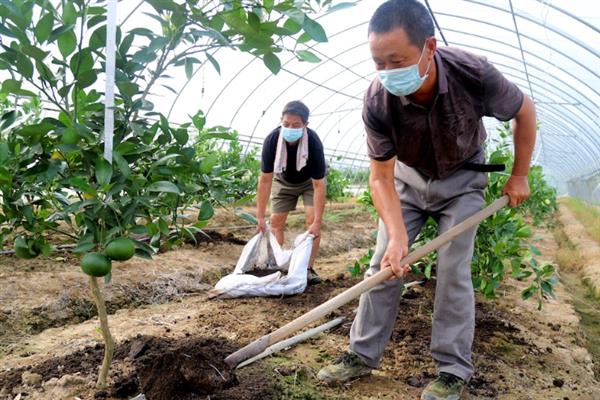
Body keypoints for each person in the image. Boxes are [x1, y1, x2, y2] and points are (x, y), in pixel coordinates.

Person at [317, 1, 536, 399]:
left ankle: (452, 369)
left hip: (464, 180)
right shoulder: (376, 100)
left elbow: (525, 110)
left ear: (429, 47)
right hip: (407, 180)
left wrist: (519, 175)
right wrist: (398, 237)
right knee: (384, 263)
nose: (386, 72)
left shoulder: (474, 73)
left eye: (395, 60)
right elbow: (380, 177)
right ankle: (360, 355)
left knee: (453, 270)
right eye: (377, 62)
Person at [256, 100, 327, 284]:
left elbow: (319, 185)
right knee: (275, 222)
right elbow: (265, 180)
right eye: (286, 124)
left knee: (312, 222)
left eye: (296, 125)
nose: (290, 128)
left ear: (305, 125)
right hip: (283, 179)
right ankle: (276, 266)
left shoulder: (313, 143)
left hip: (309, 182)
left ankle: (308, 269)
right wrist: (259, 217)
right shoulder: (272, 140)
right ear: (281, 120)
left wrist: (318, 222)